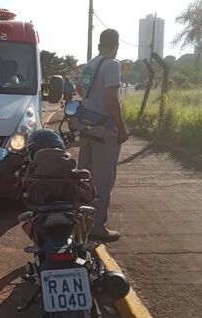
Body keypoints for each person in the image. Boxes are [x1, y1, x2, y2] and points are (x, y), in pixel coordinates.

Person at [75, 29, 130, 243]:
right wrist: (122, 128)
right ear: (116, 45)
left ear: (99, 44)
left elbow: (79, 87)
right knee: (103, 179)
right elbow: (112, 100)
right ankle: (97, 227)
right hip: (105, 128)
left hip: (87, 126)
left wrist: (91, 104)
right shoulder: (112, 64)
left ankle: (80, 223)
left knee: (84, 176)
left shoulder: (91, 63)